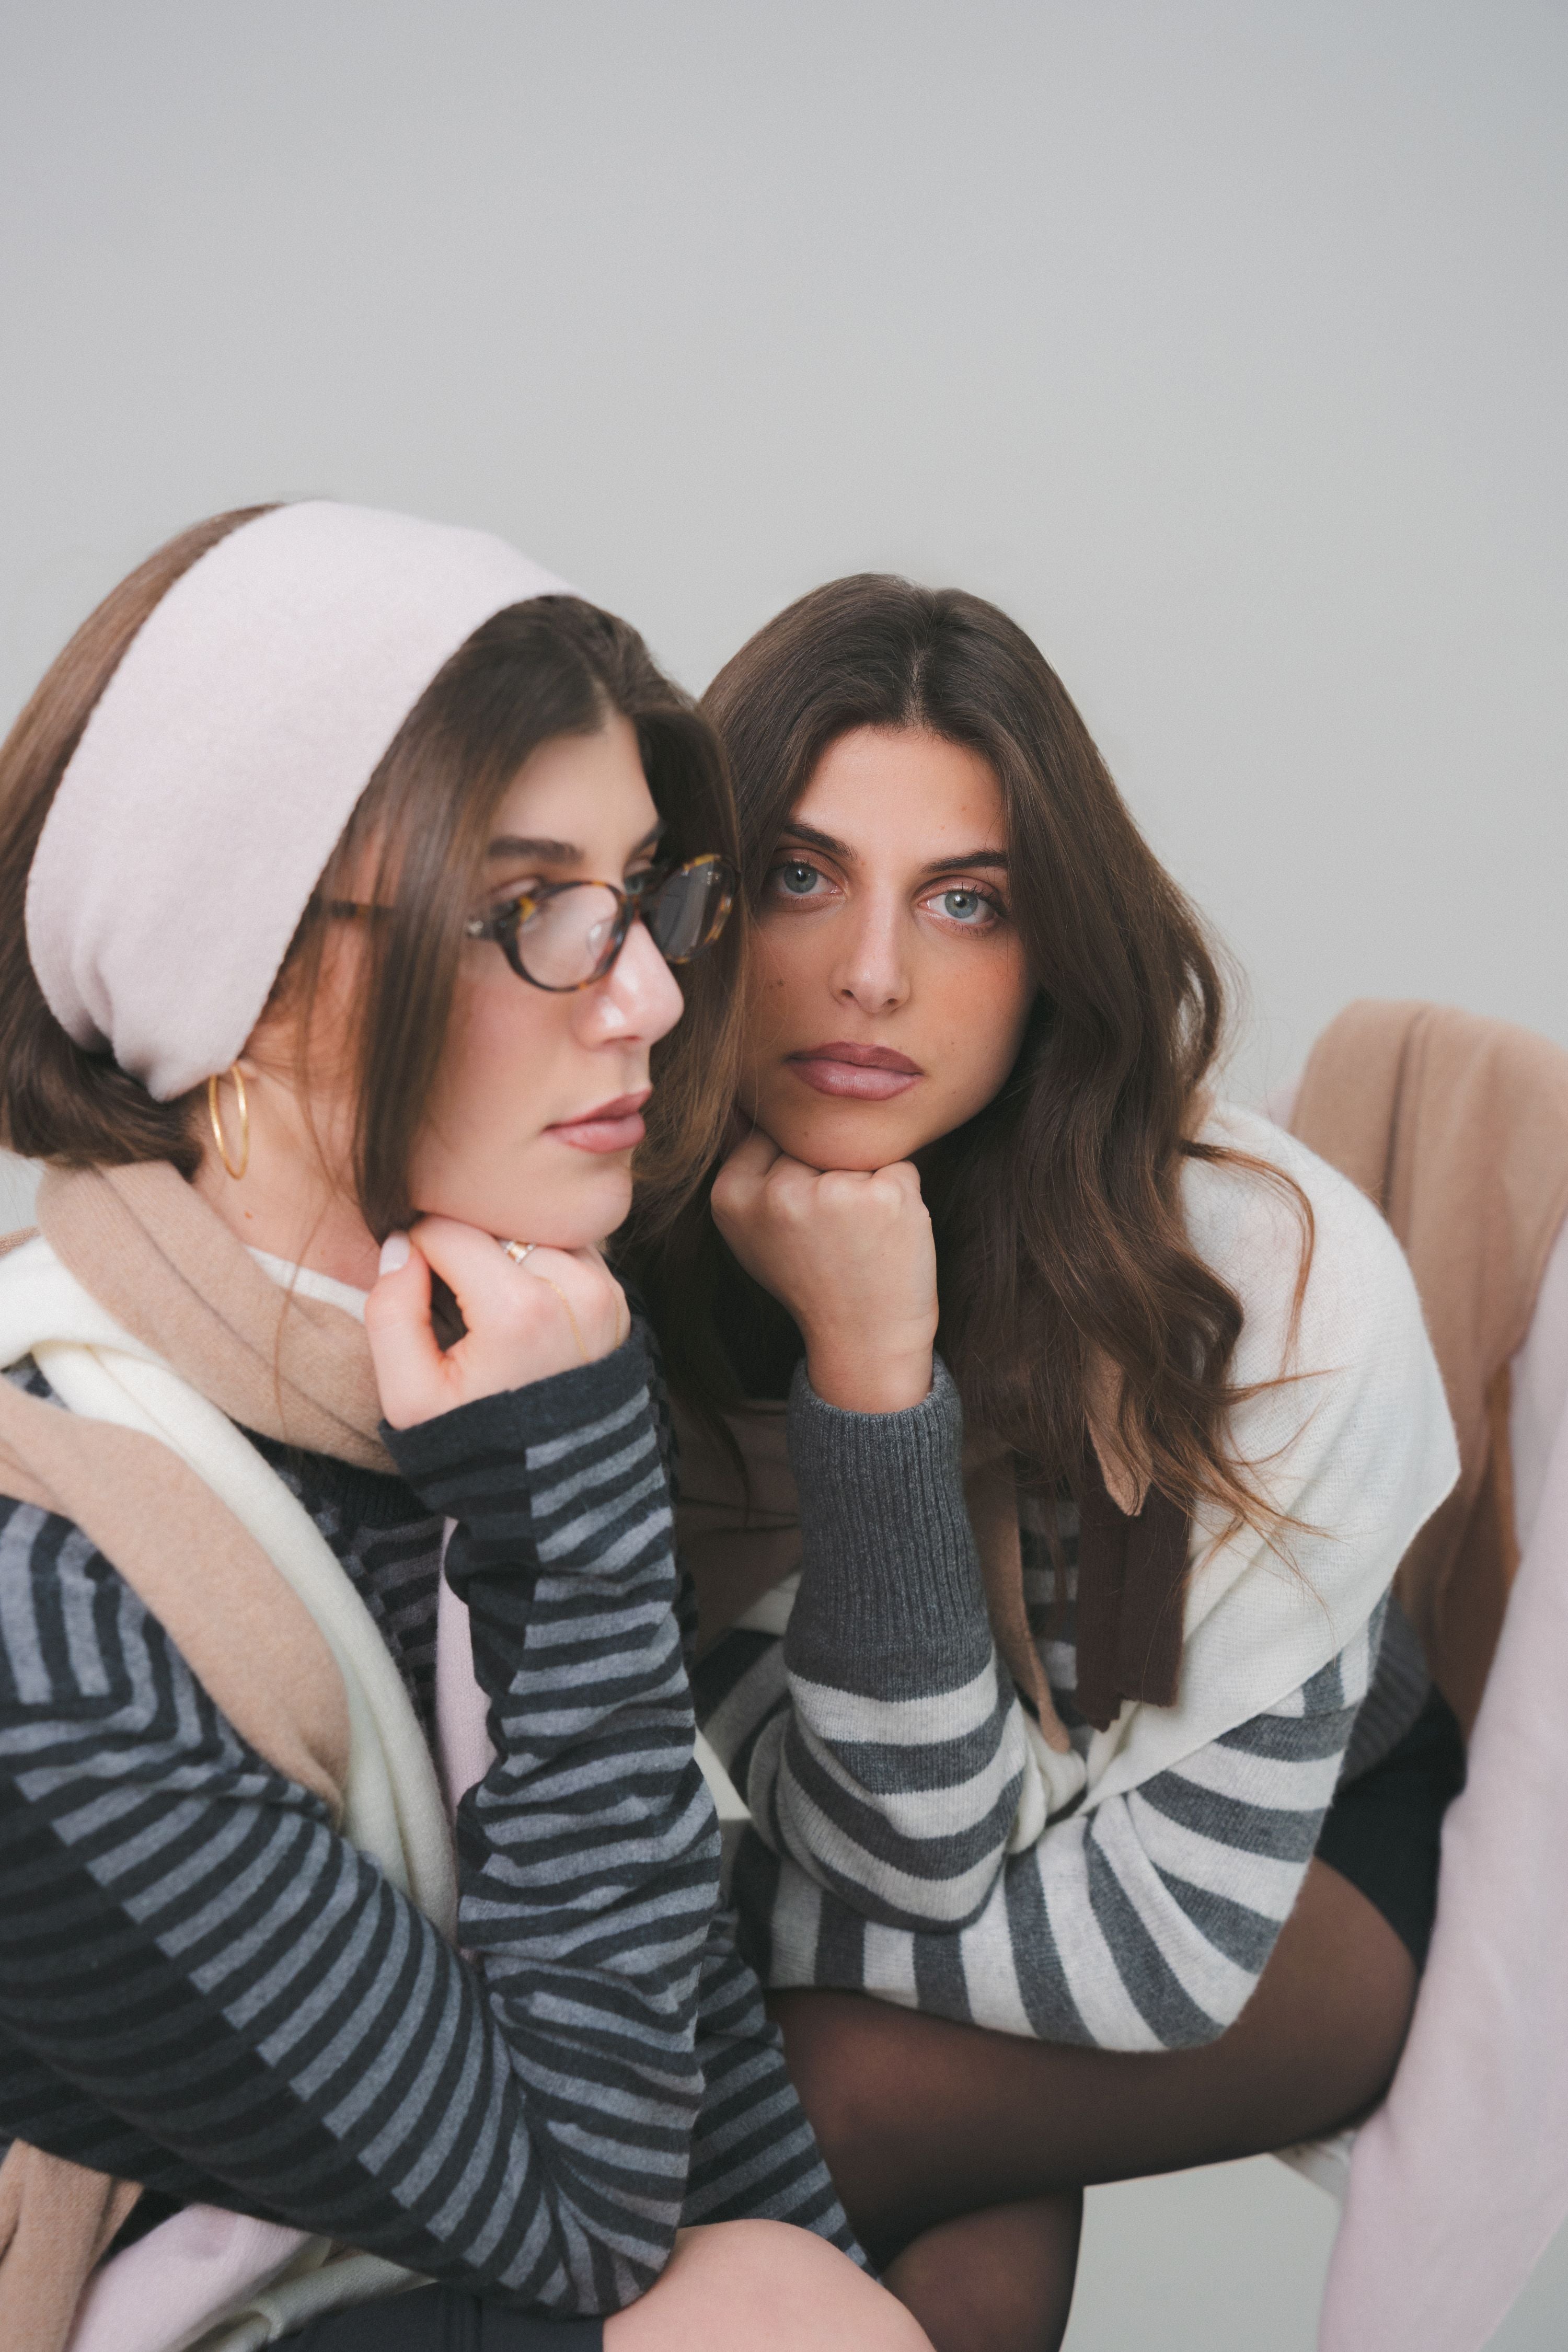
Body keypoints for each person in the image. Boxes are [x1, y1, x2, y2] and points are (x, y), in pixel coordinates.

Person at [0, 508, 931, 2352]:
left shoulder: (480, 1365)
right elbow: (585, 2210)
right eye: (533, 912)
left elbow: (694, 2082)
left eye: (646, 892)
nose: (653, 994)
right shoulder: (44, 1587)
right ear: (245, 975)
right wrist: (571, 1527)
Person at [630, 575, 1463, 2352]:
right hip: (967, 1865)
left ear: (1052, 949)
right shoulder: (635, 1265)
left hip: (1287, 1876)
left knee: (788, 2098)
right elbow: (916, 1848)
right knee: (875, 2149)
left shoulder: (1264, 1274)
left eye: (967, 901)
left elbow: (1154, 1945)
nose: (873, 972)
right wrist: (854, 1373)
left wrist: (873, 1375)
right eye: (803, 874)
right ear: (700, 904)